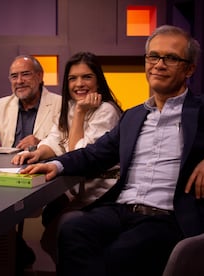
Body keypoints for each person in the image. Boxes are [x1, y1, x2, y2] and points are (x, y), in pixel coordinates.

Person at [20, 25, 204, 275]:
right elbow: (95, 154)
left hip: (168, 216)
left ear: (189, 68)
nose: (159, 64)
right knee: (73, 231)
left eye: (170, 58)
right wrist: (57, 164)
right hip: (121, 209)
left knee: (120, 254)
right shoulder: (134, 116)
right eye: (153, 56)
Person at [11, 52, 122, 261]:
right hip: (78, 191)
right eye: (73, 78)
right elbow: (55, 139)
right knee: (52, 229)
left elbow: (79, 157)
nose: (79, 84)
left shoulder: (106, 110)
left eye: (86, 77)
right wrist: (35, 154)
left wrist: (80, 113)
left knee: (57, 236)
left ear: (98, 80)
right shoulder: (70, 106)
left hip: (102, 194)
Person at [0, 55, 62, 152]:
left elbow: (66, 143)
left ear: (40, 76)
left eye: (26, 74)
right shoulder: (2, 105)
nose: (19, 81)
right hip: (8, 165)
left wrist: (40, 143)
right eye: (14, 76)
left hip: (44, 164)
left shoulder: (60, 104)